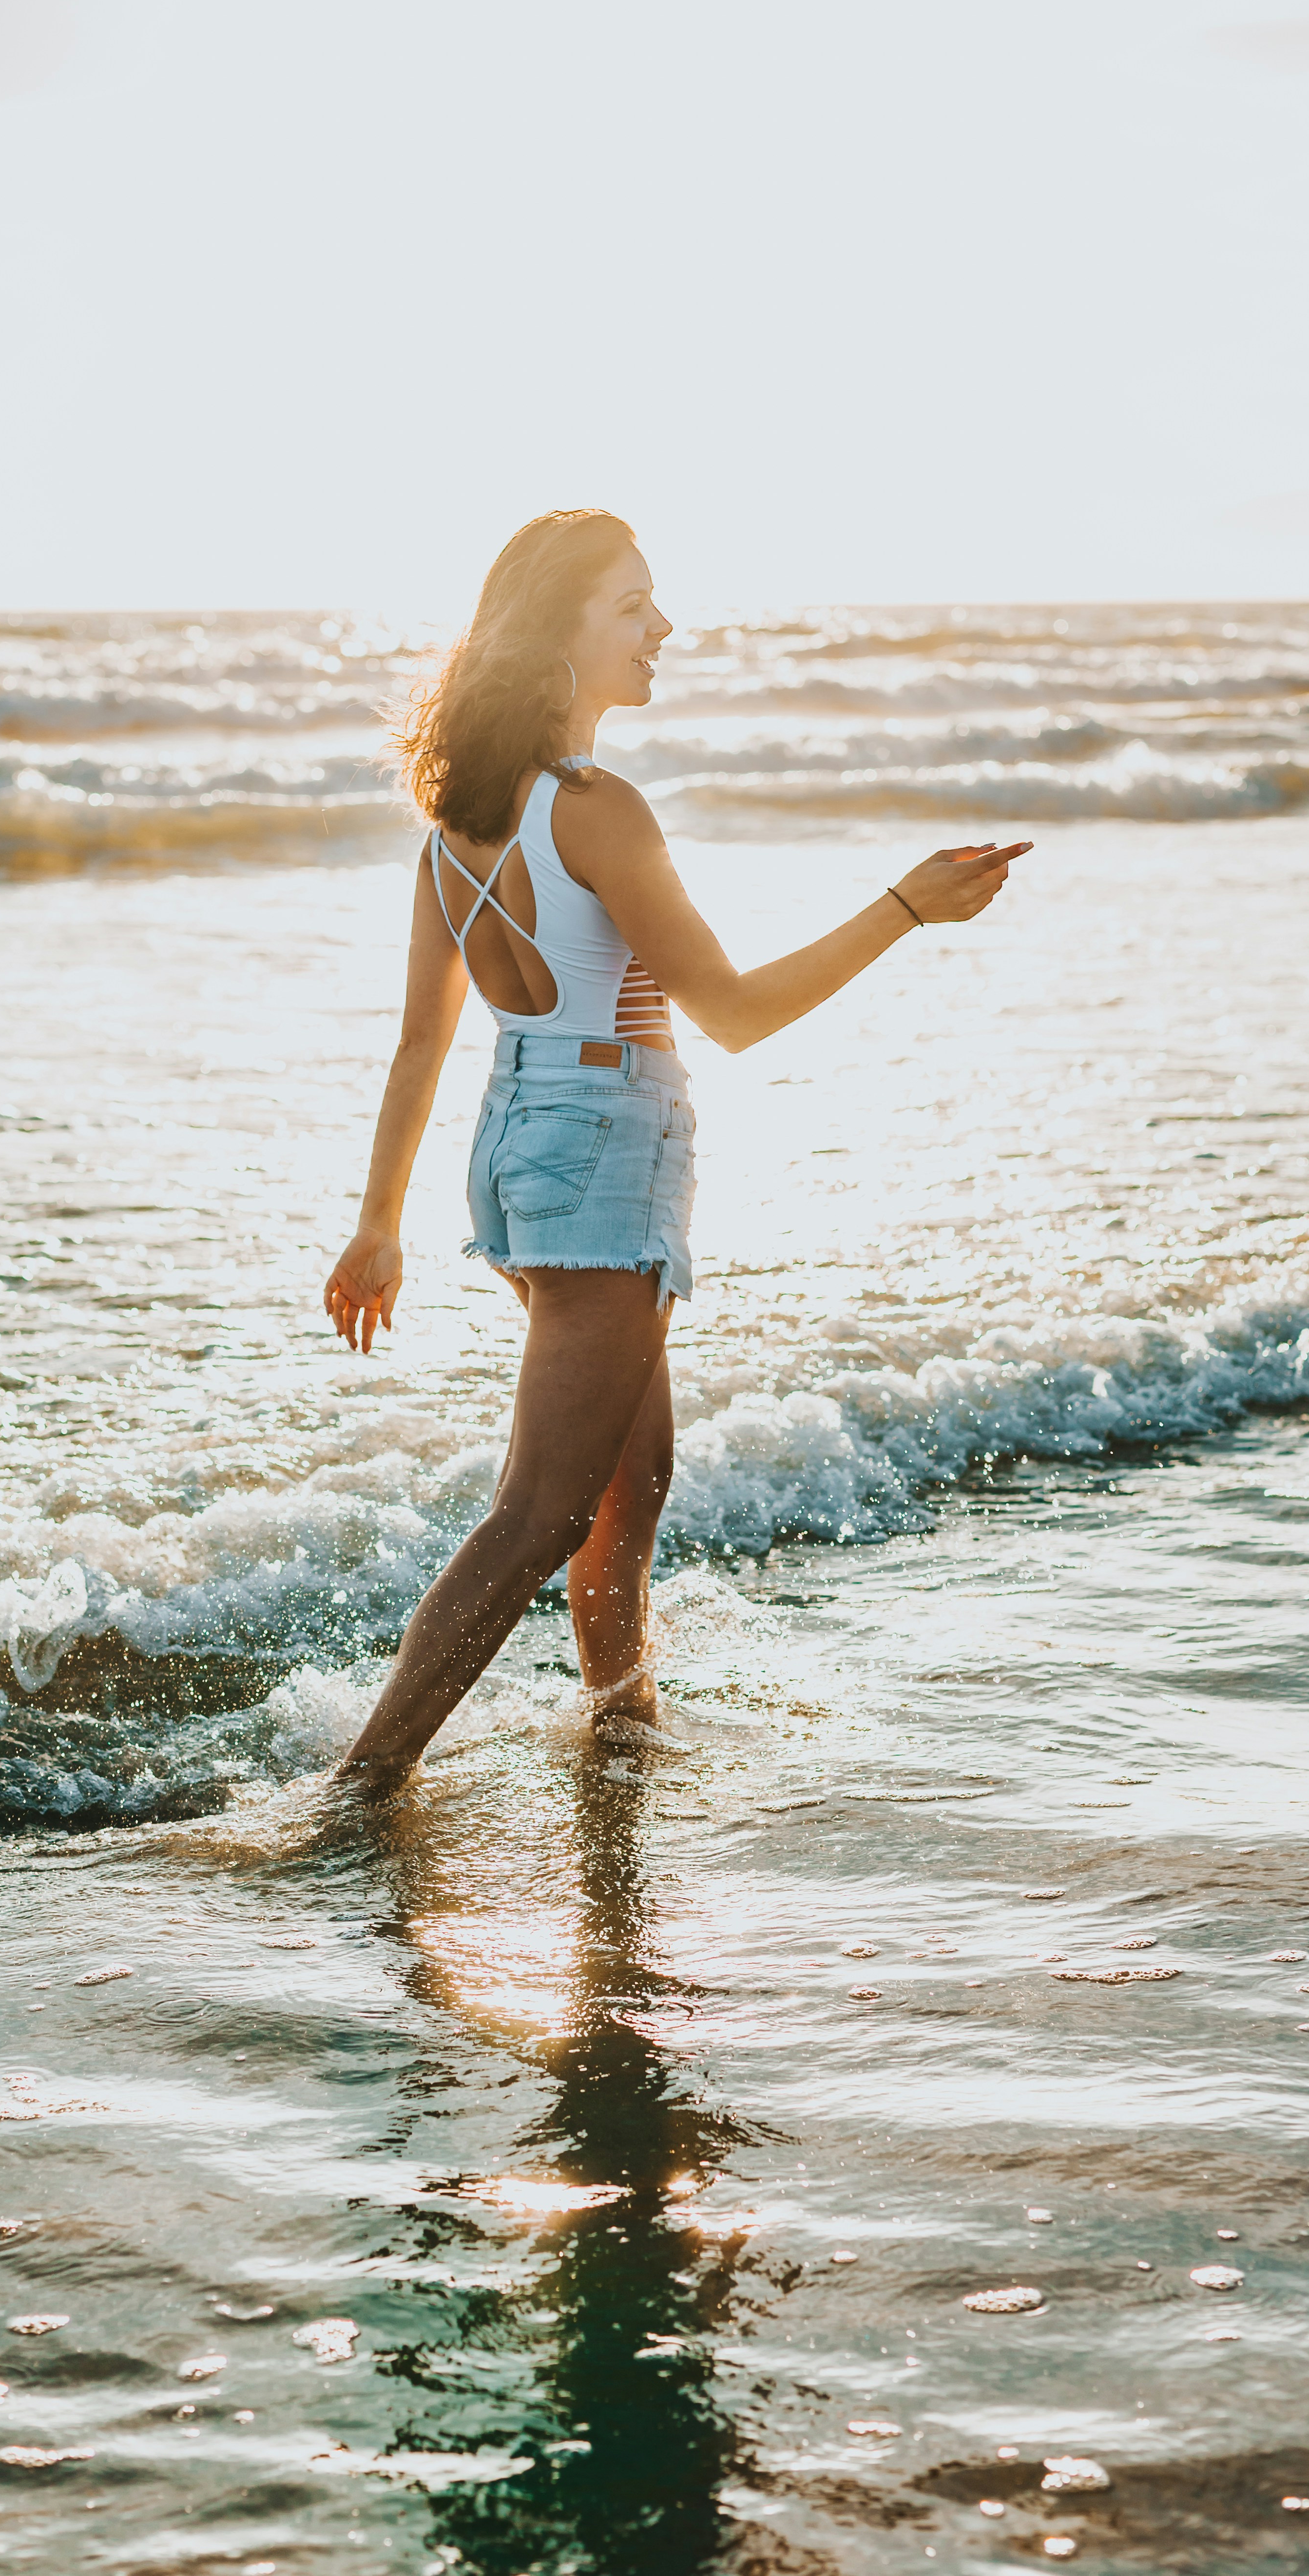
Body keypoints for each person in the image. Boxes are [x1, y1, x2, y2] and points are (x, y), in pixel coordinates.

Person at [323, 509, 1028, 1789]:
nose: (663, 627)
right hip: (606, 1148)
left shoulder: (456, 831)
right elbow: (738, 1012)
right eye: (633, 606)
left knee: (628, 1480)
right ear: (557, 638)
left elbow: (424, 1047)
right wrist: (907, 908)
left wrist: (381, 1224)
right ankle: (361, 1786)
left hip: (522, 1143)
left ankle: (621, 1731)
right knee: (543, 1507)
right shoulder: (592, 807)